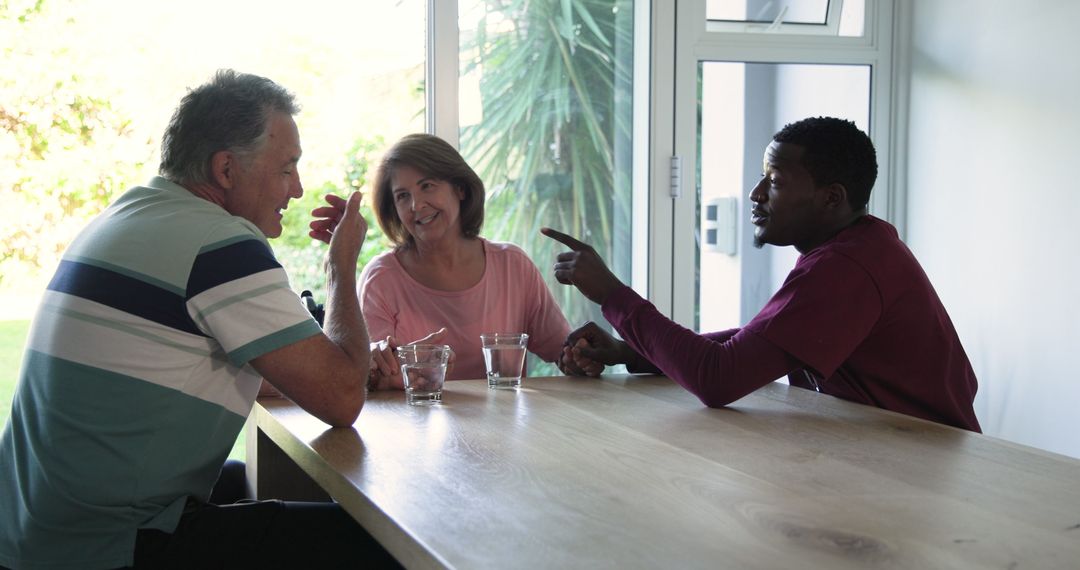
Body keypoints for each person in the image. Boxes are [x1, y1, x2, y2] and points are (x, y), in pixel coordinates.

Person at [0, 70, 399, 569]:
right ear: (226, 169)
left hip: (34, 529)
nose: (296, 189)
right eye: (287, 168)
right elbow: (341, 398)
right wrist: (341, 267)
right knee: (381, 543)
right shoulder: (219, 244)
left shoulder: (127, 215)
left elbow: (266, 374)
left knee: (245, 481)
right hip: (103, 547)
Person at [542, 116, 981, 432]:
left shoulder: (848, 267)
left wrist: (613, 295)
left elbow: (719, 377)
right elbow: (761, 346)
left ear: (831, 198)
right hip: (884, 455)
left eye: (775, 181)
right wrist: (631, 353)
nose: (755, 193)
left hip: (923, 469)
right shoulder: (853, 250)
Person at [361, 134, 570, 388]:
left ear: (460, 188)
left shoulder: (512, 266)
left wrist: (582, 354)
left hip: (505, 425)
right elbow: (370, 379)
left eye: (427, 186)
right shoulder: (381, 279)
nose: (417, 205)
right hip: (414, 426)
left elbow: (564, 352)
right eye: (403, 196)